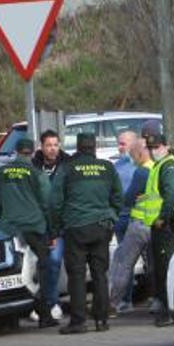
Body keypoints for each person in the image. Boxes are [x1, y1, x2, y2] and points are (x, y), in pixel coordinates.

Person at [0, 137, 58, 328]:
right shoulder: (36, 173)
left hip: (10, 230)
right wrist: (52, 231)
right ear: (32, 153)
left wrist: (1, 217)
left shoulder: (1, 172)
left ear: (15, 152)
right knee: (43, 271)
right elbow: (48, 204)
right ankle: (45, 314)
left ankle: (11, 315)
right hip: (35, 228)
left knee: (10, 271)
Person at [50, 133, 122, 334]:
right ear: (95, 147)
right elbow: (118, 196)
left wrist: (56, 228)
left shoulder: (67, 169)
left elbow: (55, 202)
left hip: (76, 228)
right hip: (101, 227)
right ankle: (102, 320)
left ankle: (78, 321)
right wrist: (112, 217)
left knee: (77, 276)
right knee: (100, 274)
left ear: (78, 148)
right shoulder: (107, 168)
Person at [137, 119, 174, 327]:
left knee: (166, 268)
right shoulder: (160, 165)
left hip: (167, 224)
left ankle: (167, 312)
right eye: (150, 148)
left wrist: (162, 219)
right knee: (160, 268)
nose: (153, 150)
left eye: (156, 147)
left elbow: (172, 194)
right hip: (161, 224)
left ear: (165, 146)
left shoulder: (169, 166)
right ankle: (165, 309)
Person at [108, 135, 152, 317]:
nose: (132, 158)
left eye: (134, 154)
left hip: (139, 223)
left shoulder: (141, 171)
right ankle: (159, 301)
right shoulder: (160, 167)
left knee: (123, 262)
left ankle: (113, 303)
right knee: (154, 264)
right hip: (156, 224)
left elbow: (128, 198)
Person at [30, 129, 69, 322]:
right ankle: (46, 303)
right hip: (39, 225)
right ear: (41, 147)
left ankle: (51, 303)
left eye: (55, 145)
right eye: (49, 145)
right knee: (45, 265)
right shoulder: (33, 167)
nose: (53, 149)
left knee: (54, 262)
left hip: (62, 225)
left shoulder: (67, 165)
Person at [111, 130, 141, 312]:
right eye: (119, 143)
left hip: (140, 219)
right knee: (125, 262)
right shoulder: (115, 167)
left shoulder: (142, 166)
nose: (120, 147)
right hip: (121, 219)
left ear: (134, 144)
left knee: (151, 261)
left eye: (123, 143)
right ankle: (125, 300)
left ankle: (157, 298)